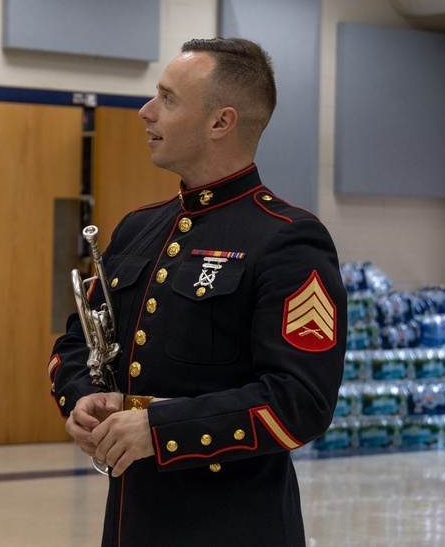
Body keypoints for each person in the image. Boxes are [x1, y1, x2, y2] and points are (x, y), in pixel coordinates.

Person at [49, 37, 346, 546]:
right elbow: (75, 346)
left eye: (167, 99)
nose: (146, 112)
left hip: (234, 525)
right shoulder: (138, 228)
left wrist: (159, 428)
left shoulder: (286, 238)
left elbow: (300, 402)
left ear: (220, 123)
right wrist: (83, 397)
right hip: (132, 523)